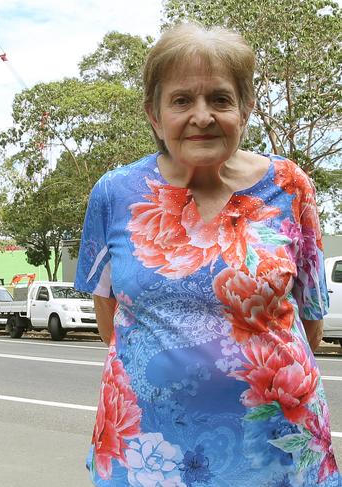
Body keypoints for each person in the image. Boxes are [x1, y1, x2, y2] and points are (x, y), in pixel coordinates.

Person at [74, 23, 340, 487]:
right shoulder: (114, 194)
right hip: (149, 452)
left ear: (246, 108)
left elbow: (310, 320)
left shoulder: (290, 186)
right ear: (154, 115)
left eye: (220, 99)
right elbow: (109, 322)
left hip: (277, 451)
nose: (202, 116)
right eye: (181, 101)